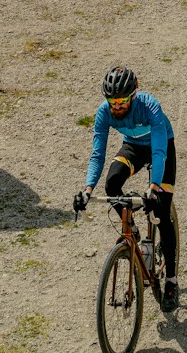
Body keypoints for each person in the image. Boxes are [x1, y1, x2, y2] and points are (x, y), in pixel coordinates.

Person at [74, 65, 179, 314]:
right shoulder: (104, 113)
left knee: (162, 210)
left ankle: (172, 281)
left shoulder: (150, 106)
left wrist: (154, 188)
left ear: (133, 95)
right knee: (112, 184)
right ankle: (130, 226)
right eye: (112, 101)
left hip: (161, 146)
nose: (116, 106)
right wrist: (88, 189)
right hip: (133, 146)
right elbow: (98, 155)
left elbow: (159, 150)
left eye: (121, 101)